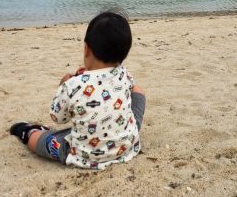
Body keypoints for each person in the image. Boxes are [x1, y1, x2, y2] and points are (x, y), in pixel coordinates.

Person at [9, 11, 145, 170]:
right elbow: (110, 88)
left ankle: (27, 132)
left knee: (43, 141)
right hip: (126, 147)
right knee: (138, 90)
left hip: (82, 154)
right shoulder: (125, 75)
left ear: (87, 49)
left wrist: (63, 85)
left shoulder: (72, 85)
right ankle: (126, 130)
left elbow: (58, 117)